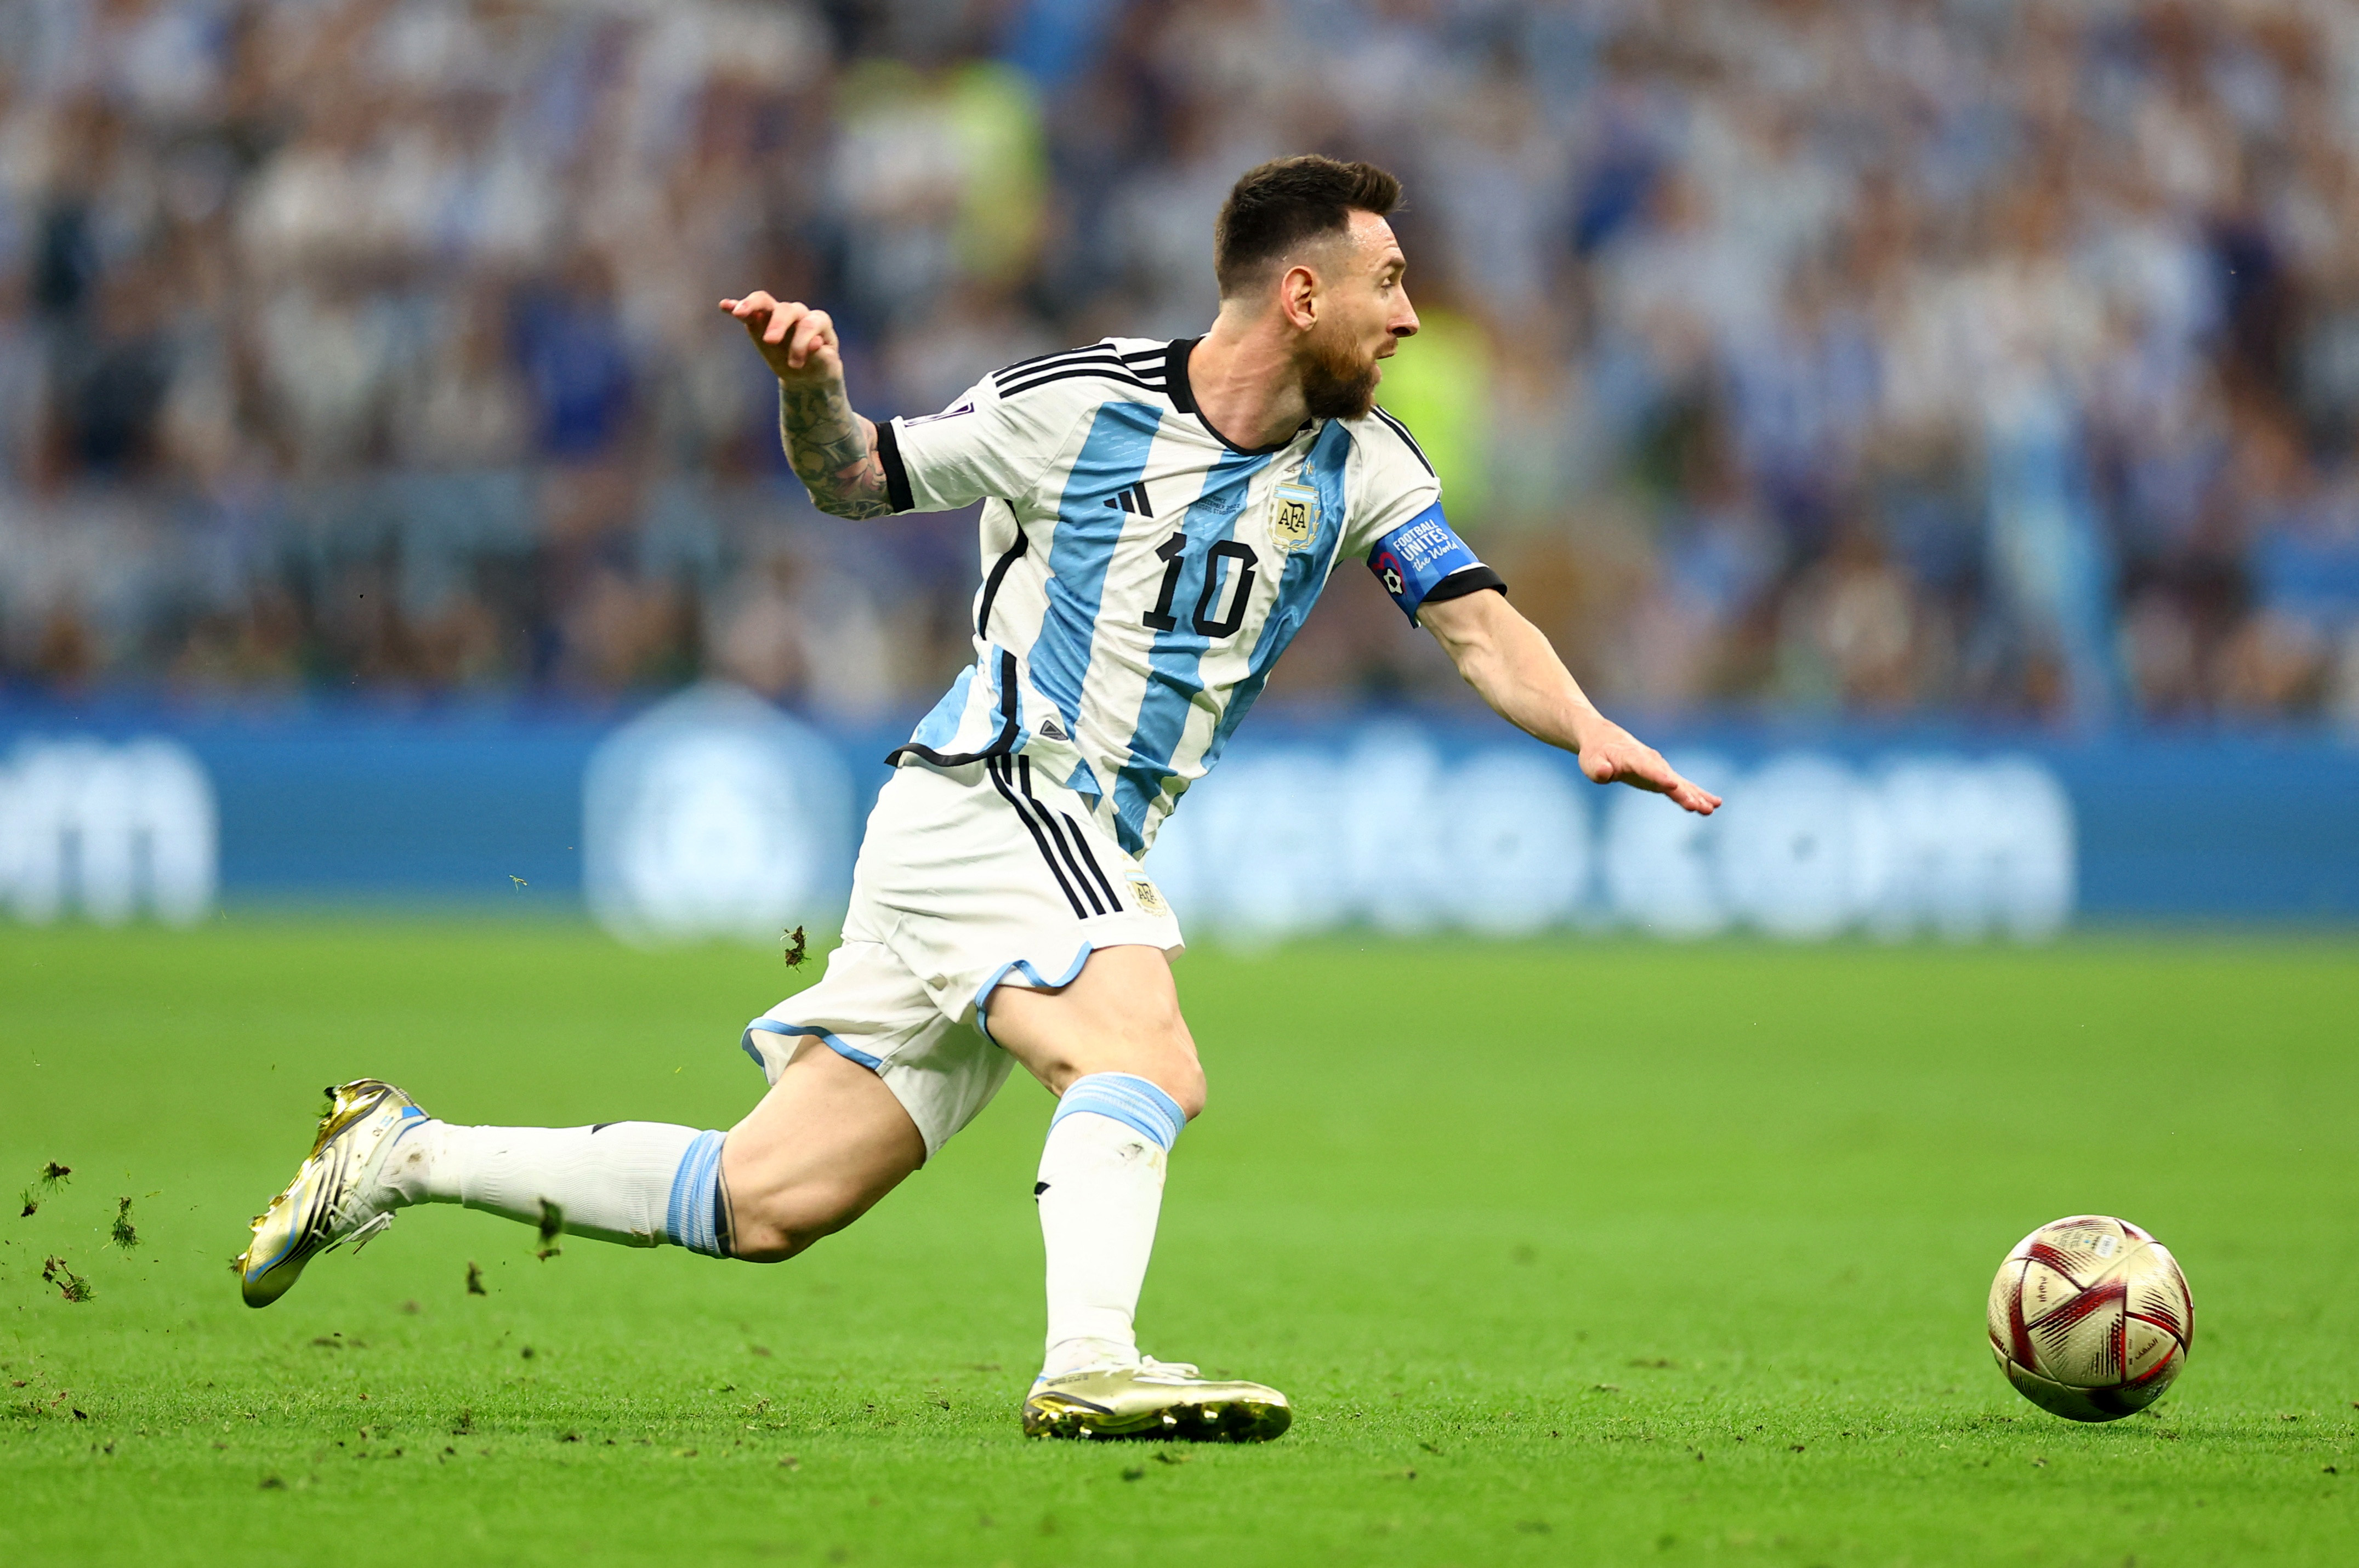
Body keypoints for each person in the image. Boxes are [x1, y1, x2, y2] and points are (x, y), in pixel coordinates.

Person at [235, 156, 1720, 1442]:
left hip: (1037, 841)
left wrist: (1587, 724)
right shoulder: (1072, 406)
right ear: (1299, 294)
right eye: (1388, 283)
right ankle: (1090, 1362)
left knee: (766, 1201)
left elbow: (1475, 623)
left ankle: (399, 1153)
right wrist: (813, 393)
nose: (1411, 316)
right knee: (1144, 1055)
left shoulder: (1364, 465)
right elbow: (856, 479)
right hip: (1003, 790)